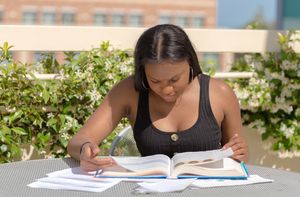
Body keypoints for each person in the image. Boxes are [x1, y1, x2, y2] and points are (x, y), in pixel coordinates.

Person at [67, 24, 249, 172]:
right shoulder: (130, 91)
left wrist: (238, 152)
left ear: (191, 63)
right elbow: (77, 142)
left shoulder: (220, 94)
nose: (167, 89)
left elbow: (240, 158)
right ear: (143, 71)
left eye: (175, 79)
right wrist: (85, 150)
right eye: (155, 80)